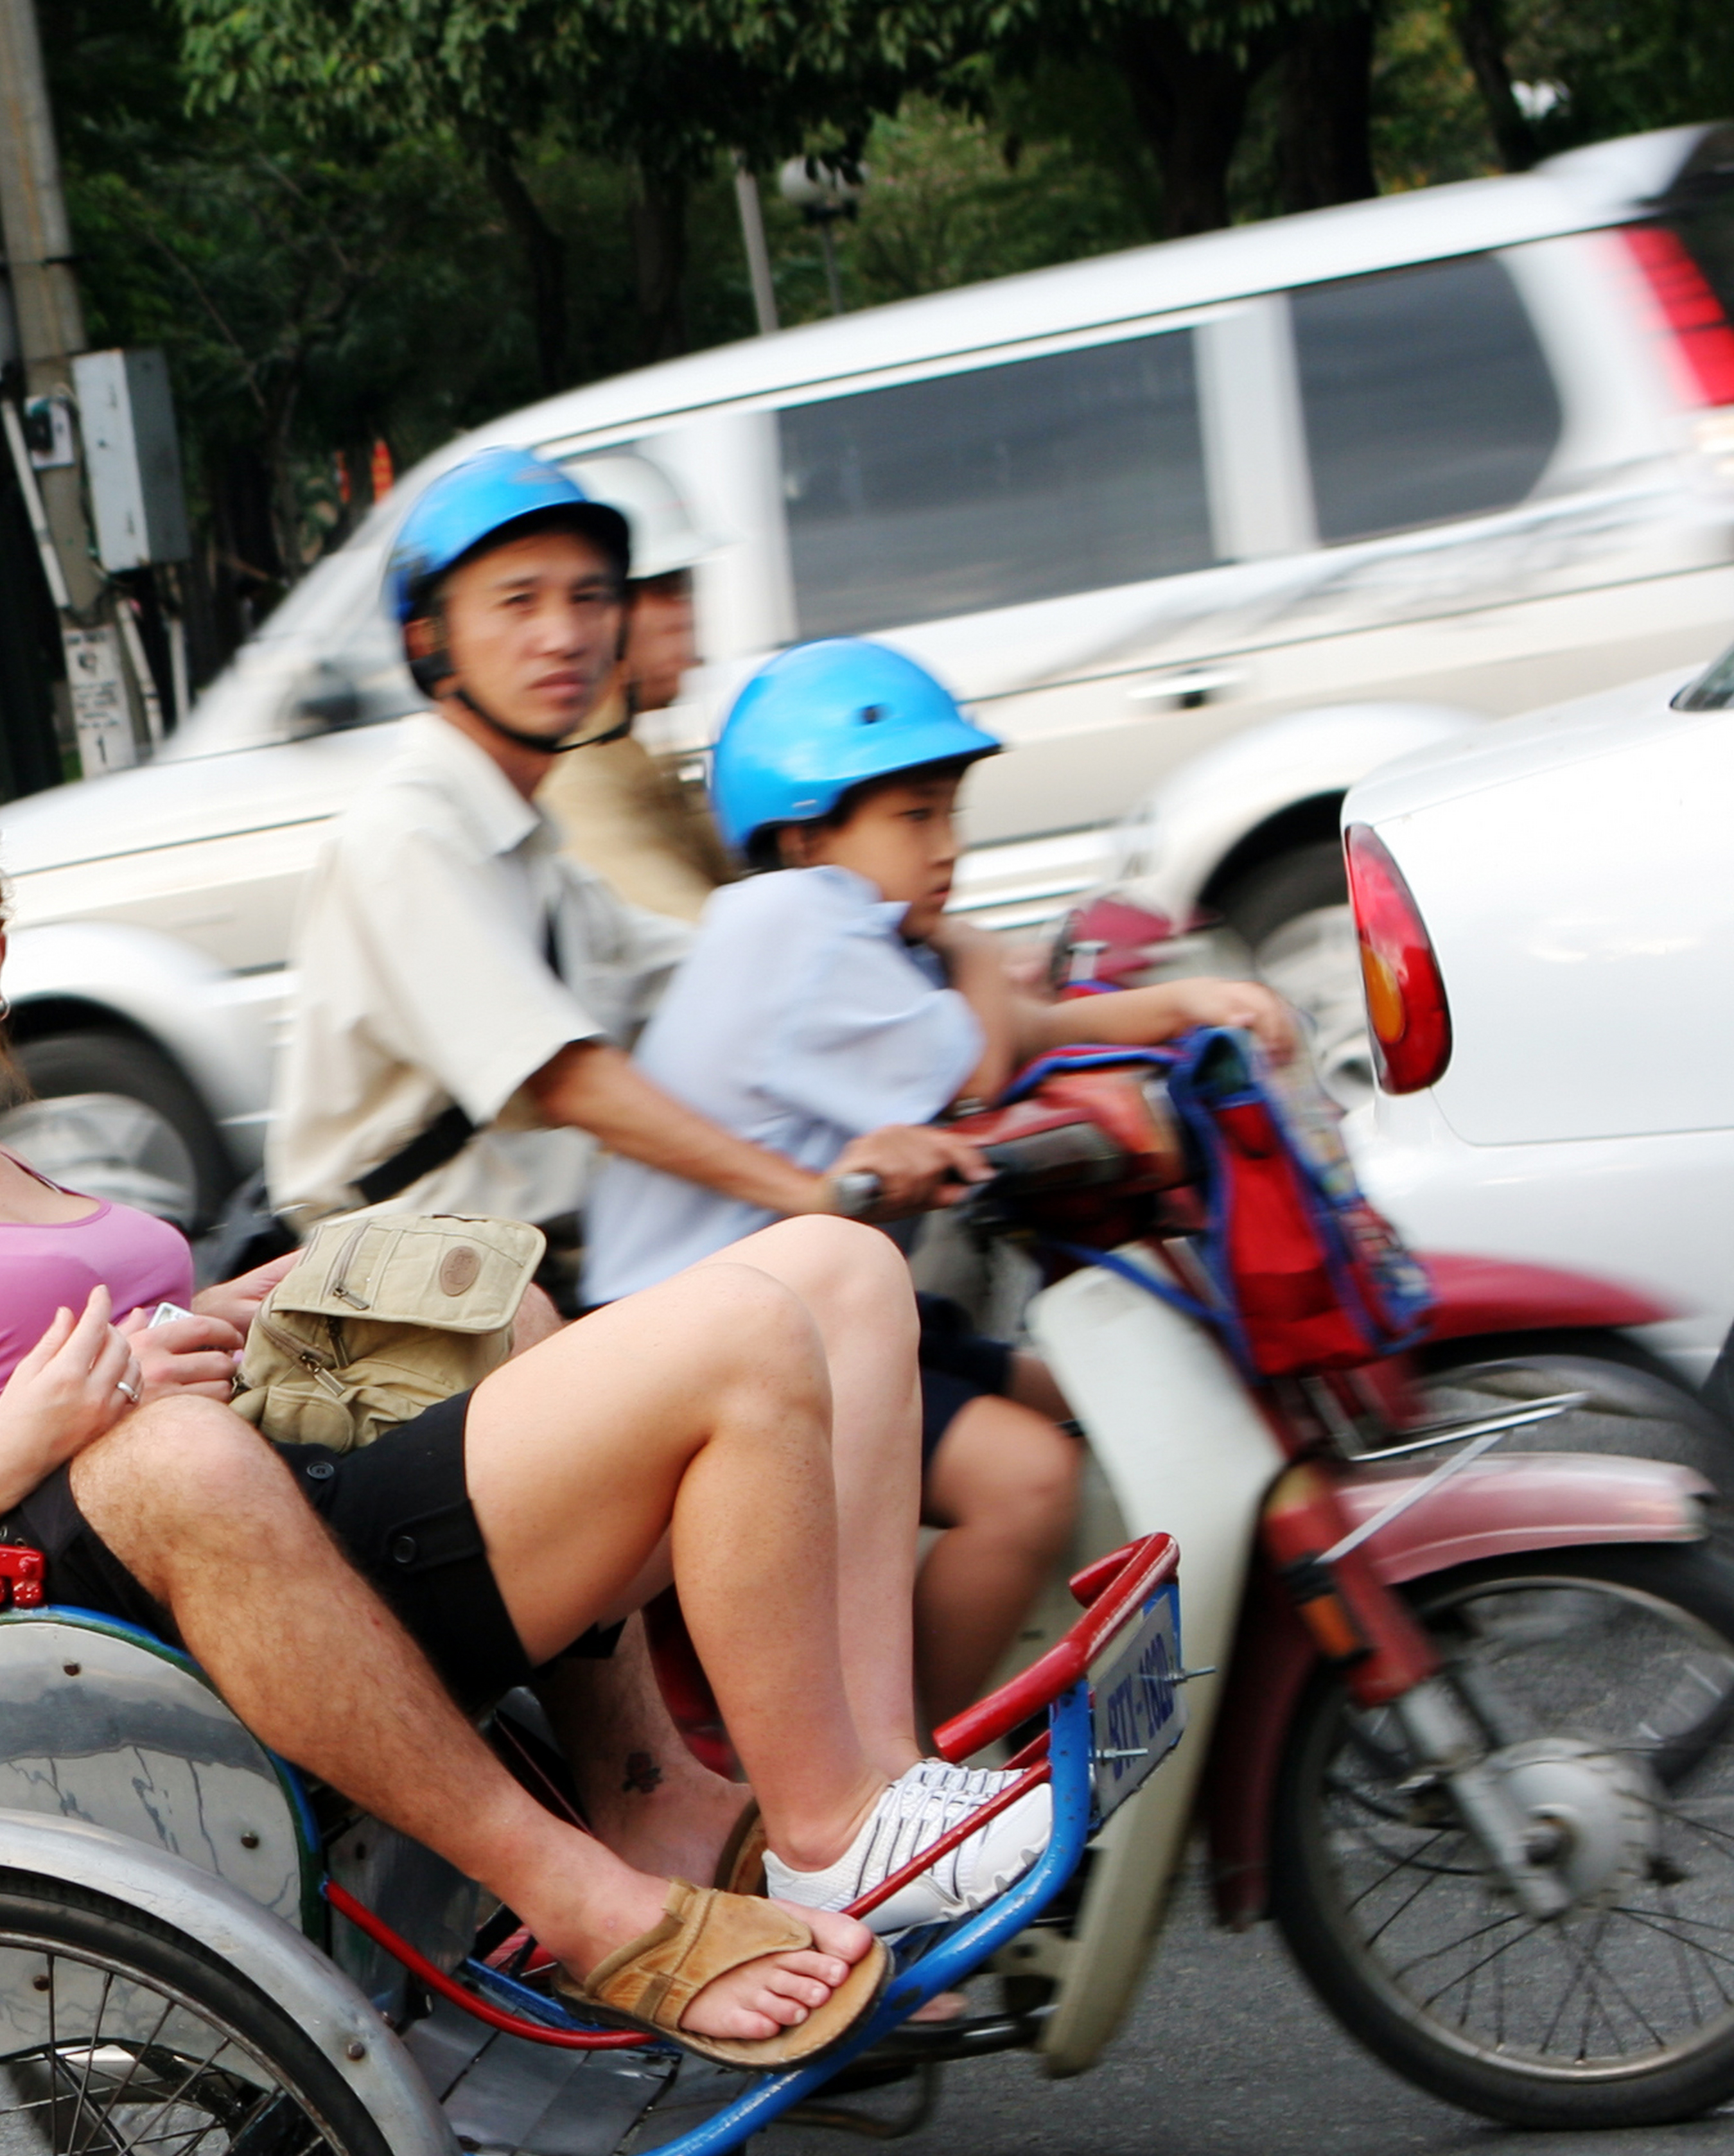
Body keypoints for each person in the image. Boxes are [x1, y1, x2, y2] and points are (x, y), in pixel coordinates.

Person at [0, 731, 941, 2066]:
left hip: (145, 1512)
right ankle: (750, 1843)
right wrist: (45, 1418)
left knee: (635, 1286)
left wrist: (194, 1320)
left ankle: (717, 1785)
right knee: (688, 1340)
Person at [0, 762, 1053, 1980]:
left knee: (840, 1270)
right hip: (169, 1632)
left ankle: (877, 1779)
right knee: (746, 1339)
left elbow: (155, 1365)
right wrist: (27, 1435)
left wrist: (234, 1307)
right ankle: (821, 1826)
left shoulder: (27, 1178)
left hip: (289, 1503)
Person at [584, 638, 1299, 1719]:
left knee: (1093, 1402)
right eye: (912, 818)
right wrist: (969, 948)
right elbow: (974, 1066)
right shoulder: (793, 929)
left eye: (948, 813)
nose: (945, 848)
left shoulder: (841, 931)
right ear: (803, 831)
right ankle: (896, 1785)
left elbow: (1018, 1030)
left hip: (802, 1308)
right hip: (703, 1341)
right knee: (1023, 1482)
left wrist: (1188, 1004)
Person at [268, 448, 967, 1238]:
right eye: (518, 603)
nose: (563, 635)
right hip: (409, 1296)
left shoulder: (534, 856)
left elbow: (720, 973)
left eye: (589, 598)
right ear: (431, 638)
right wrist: (811, 1193)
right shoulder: (409, 835)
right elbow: (569, 1081)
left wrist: (962, 959)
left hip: (525, 1258)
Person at [538, 450, 730, 924]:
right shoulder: (577, 784)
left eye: (683, 584)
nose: (683, 614)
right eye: (660, 589)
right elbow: (706, 944)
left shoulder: (631, 758)